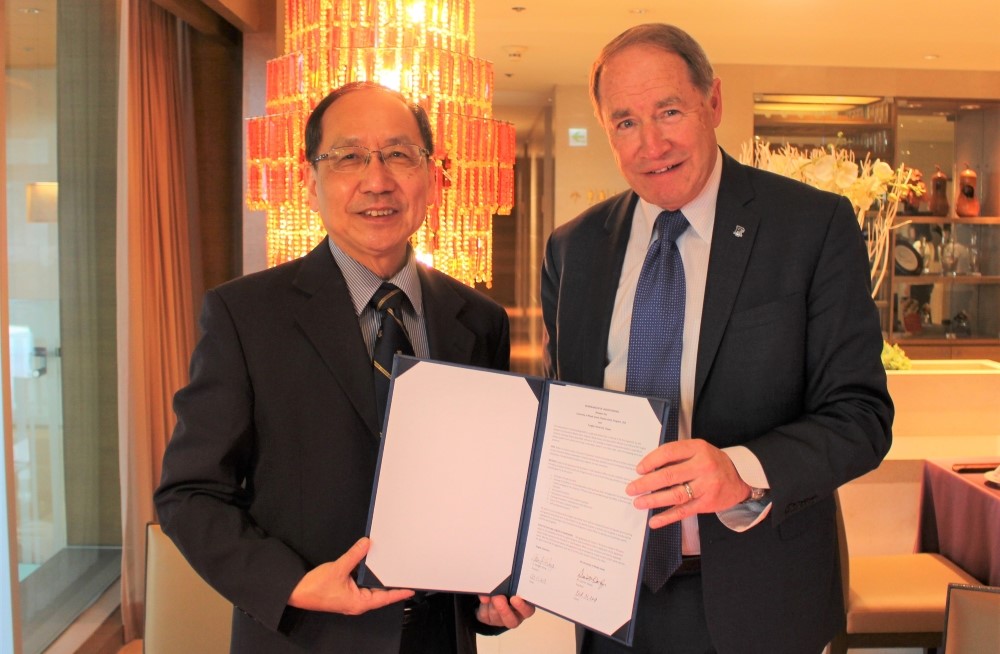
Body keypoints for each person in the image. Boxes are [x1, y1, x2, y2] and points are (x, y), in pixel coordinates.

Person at [541, 24, 893, 654]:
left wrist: (740, 470)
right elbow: (561, 417)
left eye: (669, 111)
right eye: (626, 122)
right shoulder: (574, 249)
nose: (651, 144)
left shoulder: (811, 227)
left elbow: (861, 417)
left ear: (714, 102)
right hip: (609, 600)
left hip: (763, 599)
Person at [155, 81, 533, 654]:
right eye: (348, 157)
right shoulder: (245, 315)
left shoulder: (479, 321)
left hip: (439, 641)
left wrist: (492, 599)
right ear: (311, 183)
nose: (377, 181)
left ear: (432, 177)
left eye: (399, 154)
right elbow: (190, 493)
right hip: (305, 637)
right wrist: (291, 584)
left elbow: (487, 488)